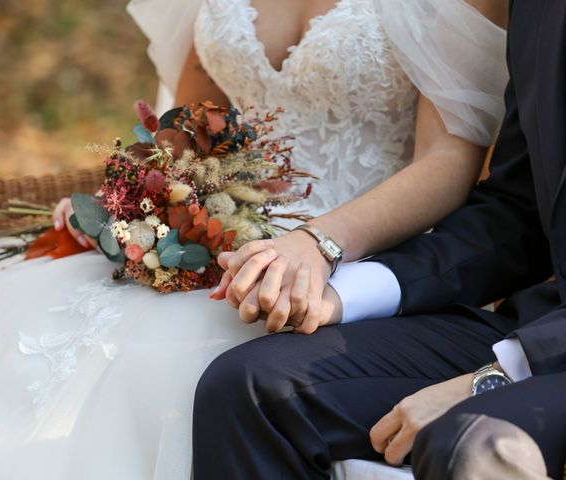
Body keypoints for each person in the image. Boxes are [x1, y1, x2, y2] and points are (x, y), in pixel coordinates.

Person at [0, 0, 508, 478]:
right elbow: (190, 120)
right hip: (214, 221)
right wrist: (130, 198)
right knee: (20, 330)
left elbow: (449, 160)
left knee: (158, 367)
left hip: (352, 249)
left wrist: (319, 242)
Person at [193, 0, 566, 478]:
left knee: (467, 443)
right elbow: (517, 217)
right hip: (535, 322)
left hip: (549, 351)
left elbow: (446, 158)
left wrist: (493, 378)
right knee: (249, 385)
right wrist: (342, 290)